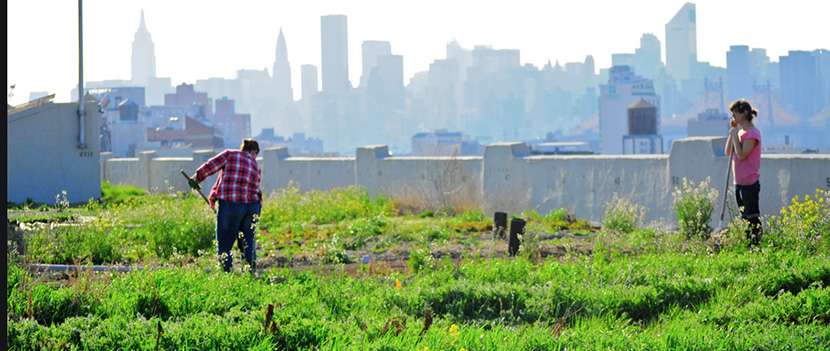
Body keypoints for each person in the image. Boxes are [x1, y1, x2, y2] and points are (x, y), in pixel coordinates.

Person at [188, 138, 262, 273]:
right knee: (248, 243)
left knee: (225, 245)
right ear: (254, 151)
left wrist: (196, 178)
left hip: (231, 205)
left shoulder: (230, 154)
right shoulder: (255, 165)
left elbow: (211, 166)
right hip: (252, 206)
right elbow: (257, 189)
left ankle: (226, 274)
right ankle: (250, 274)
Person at [724, 99, 762, 248]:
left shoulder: (753, 134)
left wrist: (735, 135)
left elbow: (741, 155)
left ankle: (756, 246)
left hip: (749, 183)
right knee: (745, 218)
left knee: (753, 217)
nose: (733, 116)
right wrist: (732, 133)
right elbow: (728, 152)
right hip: (738, 183)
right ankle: (748, 246)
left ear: (744, 113)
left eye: (735, 112)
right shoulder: (739, 132)